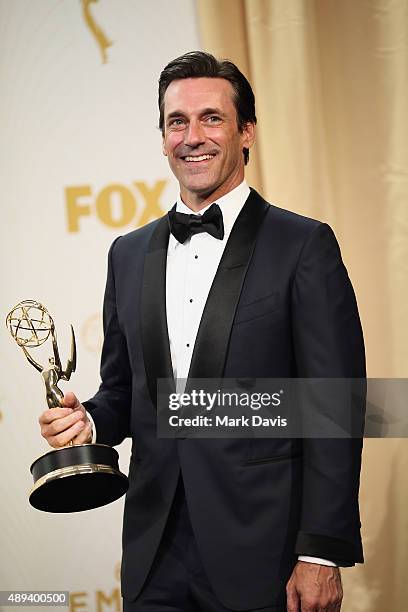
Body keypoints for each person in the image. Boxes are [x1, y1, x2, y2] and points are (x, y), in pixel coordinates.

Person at [39, 51, 365, 612]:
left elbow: (334, 407)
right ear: (163, 138)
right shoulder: (128, 254)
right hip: (154, 553)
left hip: (265, 552)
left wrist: (321, 552)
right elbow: (126, 393)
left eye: (211, 118)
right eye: (177, 121)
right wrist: (88, 419)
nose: (193, 136)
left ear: (246, 133)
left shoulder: (303, 245)